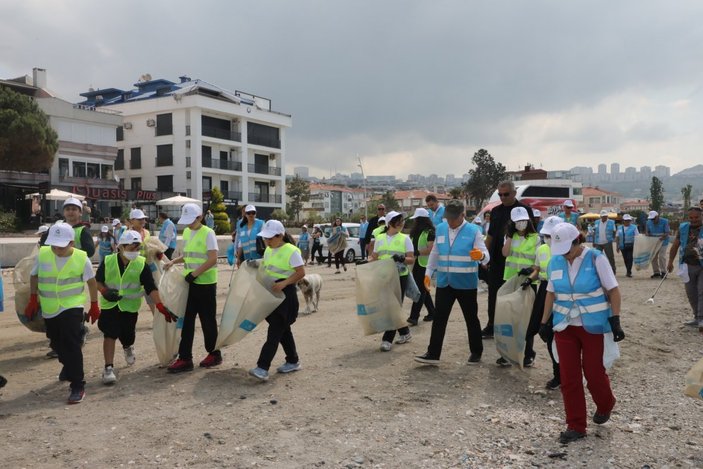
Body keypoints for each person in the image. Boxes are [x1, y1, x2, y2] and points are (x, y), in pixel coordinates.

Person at [539, 223, 624, 444]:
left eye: (568, 250)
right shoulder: (555, 261)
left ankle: (606, 403)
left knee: (594, 373)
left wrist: (615, 319)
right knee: (569, 377)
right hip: (564, 327)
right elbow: (550, 293)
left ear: (578, 241)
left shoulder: (596, 259)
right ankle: (576, 425)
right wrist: (544, 322)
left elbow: (613, 290)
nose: (565, 255)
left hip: (592, 326)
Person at [25, 222, 100, 404]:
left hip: (72, 307)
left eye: (61, 245)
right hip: (50, 308)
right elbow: (34, 276)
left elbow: (91, 282)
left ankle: (77, 385)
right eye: (54, 245)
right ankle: (67, 366)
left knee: (71, 343)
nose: (57, 249)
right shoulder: (43, 255)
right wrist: (33, 298)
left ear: (72, 243)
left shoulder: (82, 258)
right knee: (56, 342)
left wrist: (94, 304)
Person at [414, 200, 488, 365]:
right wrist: (428, 273)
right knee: (439, 318)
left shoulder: (473, 231)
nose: (451, 222)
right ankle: (433, 354)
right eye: (448, 218)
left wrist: (481, 256)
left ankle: (476, 351)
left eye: (454, 218)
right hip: (444, 282)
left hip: (466, 283)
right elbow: (435, 253)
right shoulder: (440, 228)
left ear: (463, 215)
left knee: (471, 318)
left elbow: (485, 254)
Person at [96, 230, 176, 384]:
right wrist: (104, 291)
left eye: (137, 248)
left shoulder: (141, 264)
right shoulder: (108, 261)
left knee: (128, 335)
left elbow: (150, 287)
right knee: (110, 333)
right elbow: (98, 281)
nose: (135, 252)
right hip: (110, 305)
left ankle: (127, 346)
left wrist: (160, 305)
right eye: (131, 248)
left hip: (130, 307)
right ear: (121, 247)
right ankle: (108, 368)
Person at [165, 203, 222, 372]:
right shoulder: (188, 232)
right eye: (187, 221)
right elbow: (189, 255)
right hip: (189, 283)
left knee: (208, 321)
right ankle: (185, 358)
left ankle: (214, 353)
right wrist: (174, 261)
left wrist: (195, 274)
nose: (189, 224)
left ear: (200, 217)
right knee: (187, 321)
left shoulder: (208, 233)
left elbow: (213, 258)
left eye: (192, 220)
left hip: (205, 284)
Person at [249, 220, 305, 381]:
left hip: (286, 296)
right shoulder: (268, 250)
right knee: (283, 330)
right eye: (265, 238)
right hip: (272, 294)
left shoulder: (292, 251)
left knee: (274, 332)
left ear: (280, 235)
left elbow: (300, 272)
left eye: (270, 238)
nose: (267, 241)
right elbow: (266, 269)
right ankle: (293, 361)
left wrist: (285, 283)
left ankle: (262, 367)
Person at [483, 181, 533, 338]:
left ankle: (512, 328)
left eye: (506, 194)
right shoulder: (496, 211)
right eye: (500, 194)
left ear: (514, 193)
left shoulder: (525, 211)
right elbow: (490, 235)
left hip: (516, 263)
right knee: (494, 294)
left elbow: (531, 236)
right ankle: (492, 324)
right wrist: (485, 256)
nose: (502, 197)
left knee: (514, 297)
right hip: (497, 260)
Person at [523, 216, 563, 389]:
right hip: (544, 290)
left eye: (551, 235)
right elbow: (538, 269)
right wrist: (529, 279)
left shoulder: (568, 251)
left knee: (559, 335)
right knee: (544, 332)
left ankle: (561, 374)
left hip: (563, 293)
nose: (548, 238)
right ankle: (558, 373)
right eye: (546, 235)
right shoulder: (542, 250)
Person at [497, 206, 539, 367]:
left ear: (528, 221)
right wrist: (508, 236)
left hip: (529, 282)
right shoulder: (510, 236)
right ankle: (509, 354)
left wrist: (531, 271)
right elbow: (505, 253)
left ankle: (528, 353)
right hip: (510, 280)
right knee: (510, 318)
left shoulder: (536, 238)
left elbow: (538, 261)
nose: (521, 224)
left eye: (523, 221)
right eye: (517, 221)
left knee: (526, 320)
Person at [371, 211, 414, 351]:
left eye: (402, 221)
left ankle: (387, 339)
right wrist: (366, 262)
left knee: (393, 307)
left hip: (399, 277)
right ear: (390, 223)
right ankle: (405, 332)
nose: (402, 224)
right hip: (383, 277)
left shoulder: (405, 239)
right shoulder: (380, 238)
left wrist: (402, 259)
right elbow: (375, 257)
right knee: (387, 306)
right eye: (399, 221)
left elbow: (411, 259)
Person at [667, 207, 703, 331]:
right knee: (691, 293)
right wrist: (670, 262)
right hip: (687, 265)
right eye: (691, 218)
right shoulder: (683, 228)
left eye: (696, 217)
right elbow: (675, 245)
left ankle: (701, 319)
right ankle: (697, 317)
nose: (694, 220)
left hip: (701, 265)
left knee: (701, 291)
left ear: (701, 216)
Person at [407, 208, 437, 325]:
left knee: (420, 289)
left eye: (416, 219)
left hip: (425, 265)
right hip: (416, 264)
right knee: (423, 289)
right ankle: (432, 312)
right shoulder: (415, 232)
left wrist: (416, 253)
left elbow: (430, 249)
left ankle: (414, 316)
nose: (415, 222)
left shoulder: (430, 232)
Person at [129, 208, 157, 317]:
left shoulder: (147, 232)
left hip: (148, 265)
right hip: (134, 266)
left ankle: (156, 315)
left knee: (151, 290)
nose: (142, 221)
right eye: (139, 219)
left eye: (143, 219)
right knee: (132, 291)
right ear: (132, 221)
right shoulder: (128, 234)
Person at [646, 210, 670, 278]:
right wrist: (648, 234)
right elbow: (647, 232)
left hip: (663, 241)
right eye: (651, 219)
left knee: (662, 256)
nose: (652, 220)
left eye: (653, 219)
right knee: (653, 256)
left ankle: (663, 272)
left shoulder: (665, 221)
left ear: (657, 216)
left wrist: (662, 237)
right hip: (653, 242)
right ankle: (656, 272)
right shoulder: (648, 222)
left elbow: (667, 232)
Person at [593, 210, 617, 275]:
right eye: (603, 216)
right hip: (598, 242)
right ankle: (598, 270)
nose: (605, 217)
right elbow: (595, 232)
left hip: (607, 242)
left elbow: (614, 231)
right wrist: (594, 241)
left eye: (606, 216)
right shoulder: (596, 222)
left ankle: (613, 270)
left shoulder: (611, 222)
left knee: (610, 257)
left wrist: (612, 238)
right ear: (600, 216)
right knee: (597, 257)